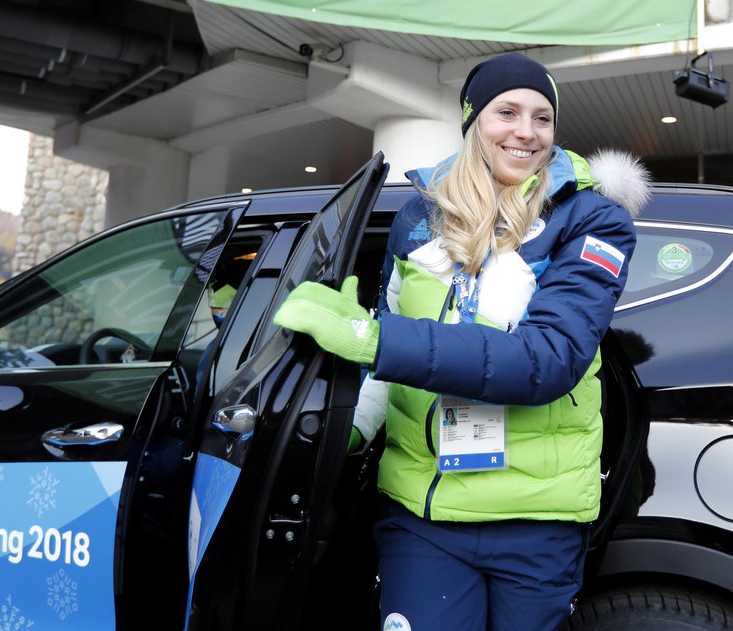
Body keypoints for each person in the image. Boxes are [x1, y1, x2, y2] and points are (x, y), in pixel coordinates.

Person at [274, 52, 650, 630]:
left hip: (536, 519)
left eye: (542, 118)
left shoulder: (591, 220)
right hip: (422, 515)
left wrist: (371, 338)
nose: (527, 131)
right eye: (508, 112)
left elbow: (546, 362)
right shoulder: (419, 220)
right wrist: (338, 430)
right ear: (474, 121)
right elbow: (382, 358)